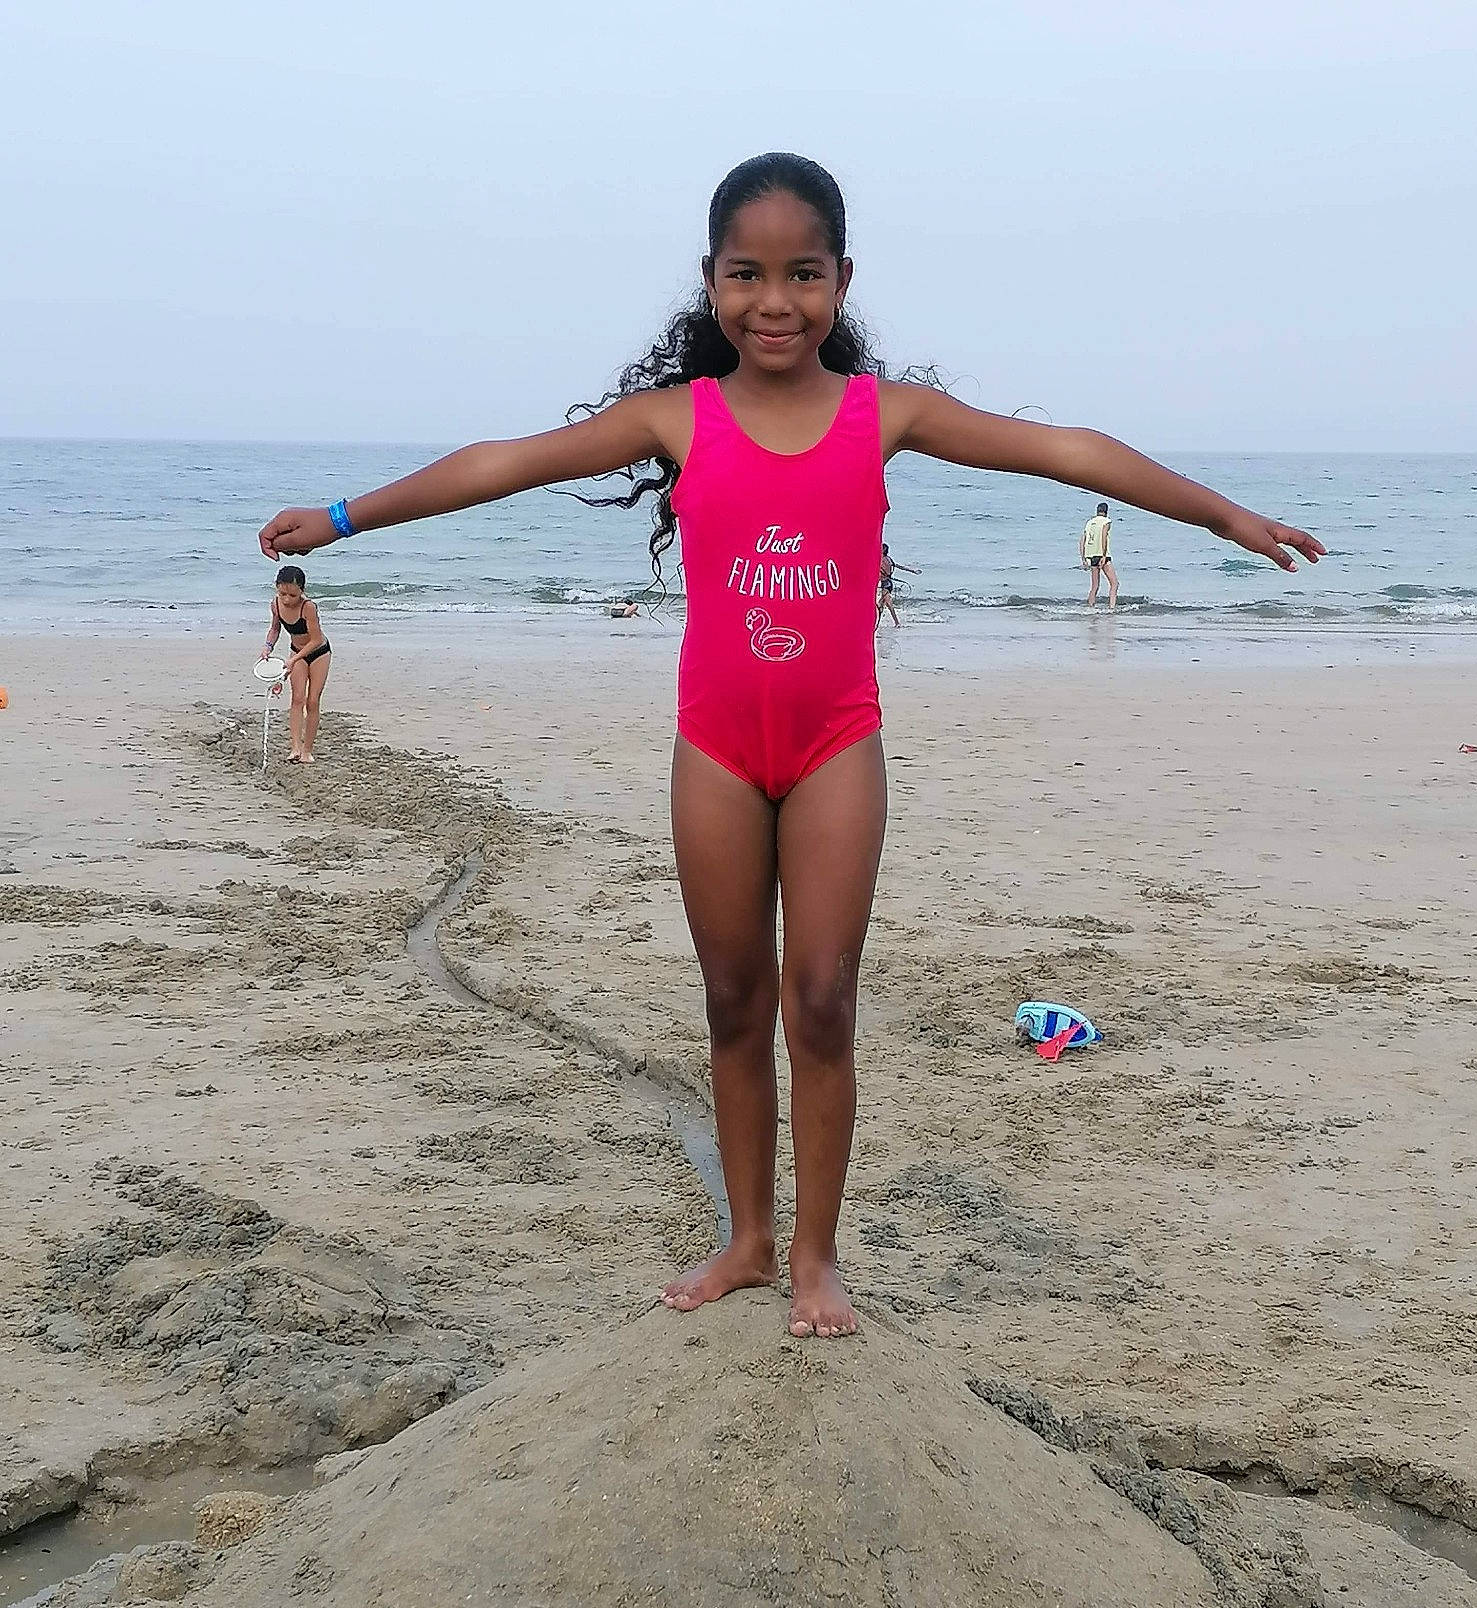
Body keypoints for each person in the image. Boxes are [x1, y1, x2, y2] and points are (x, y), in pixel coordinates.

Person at [258, 151, 1322, 1339]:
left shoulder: (886, 416)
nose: (776, 300)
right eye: (748, 273)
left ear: (842, 279)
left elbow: (1064, 447)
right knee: (730, 999)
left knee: (819, 1000)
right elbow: (501, 466)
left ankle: (817, 1255)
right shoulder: (676, 418)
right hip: (715, 747)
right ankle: (749, 1240)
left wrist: (1220, 511)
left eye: (803, 274)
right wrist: (345, 518)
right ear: (710, 282)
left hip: (834, 747)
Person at [260, 565, 332, 763]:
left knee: (313, 701)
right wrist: (268, 646)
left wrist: (294, 659)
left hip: (318, 653)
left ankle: (307, 751)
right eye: (282, 593)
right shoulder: (276, 604)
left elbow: (316, 640)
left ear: (302, 590)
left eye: (292, 595)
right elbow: (275, 629)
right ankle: (295, 748)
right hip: (296, 652)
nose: (286, 599)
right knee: (297, 699)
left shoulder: (308, 607)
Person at [1080, 500, 1119, 610]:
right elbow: (1103, 536)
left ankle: (1090, 608)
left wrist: (1083, 558)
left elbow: (1082, 539)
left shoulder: (1090, 522)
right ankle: (1111, 608)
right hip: (1102, 555)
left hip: (1091, 556)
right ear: (1106, 512)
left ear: (1097, 511)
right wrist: (1103, 555)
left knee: (1095, 586)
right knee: (1114, 583)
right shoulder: (1106, 521)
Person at [875, 541, 919, 628]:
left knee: (887, 604)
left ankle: (897, 623)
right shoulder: (889, 559)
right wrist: (912, 571)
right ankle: (878, 624)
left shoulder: (880, 561)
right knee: (882, 605)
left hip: (885, 584)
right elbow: (900, 567)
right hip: (889, 584)